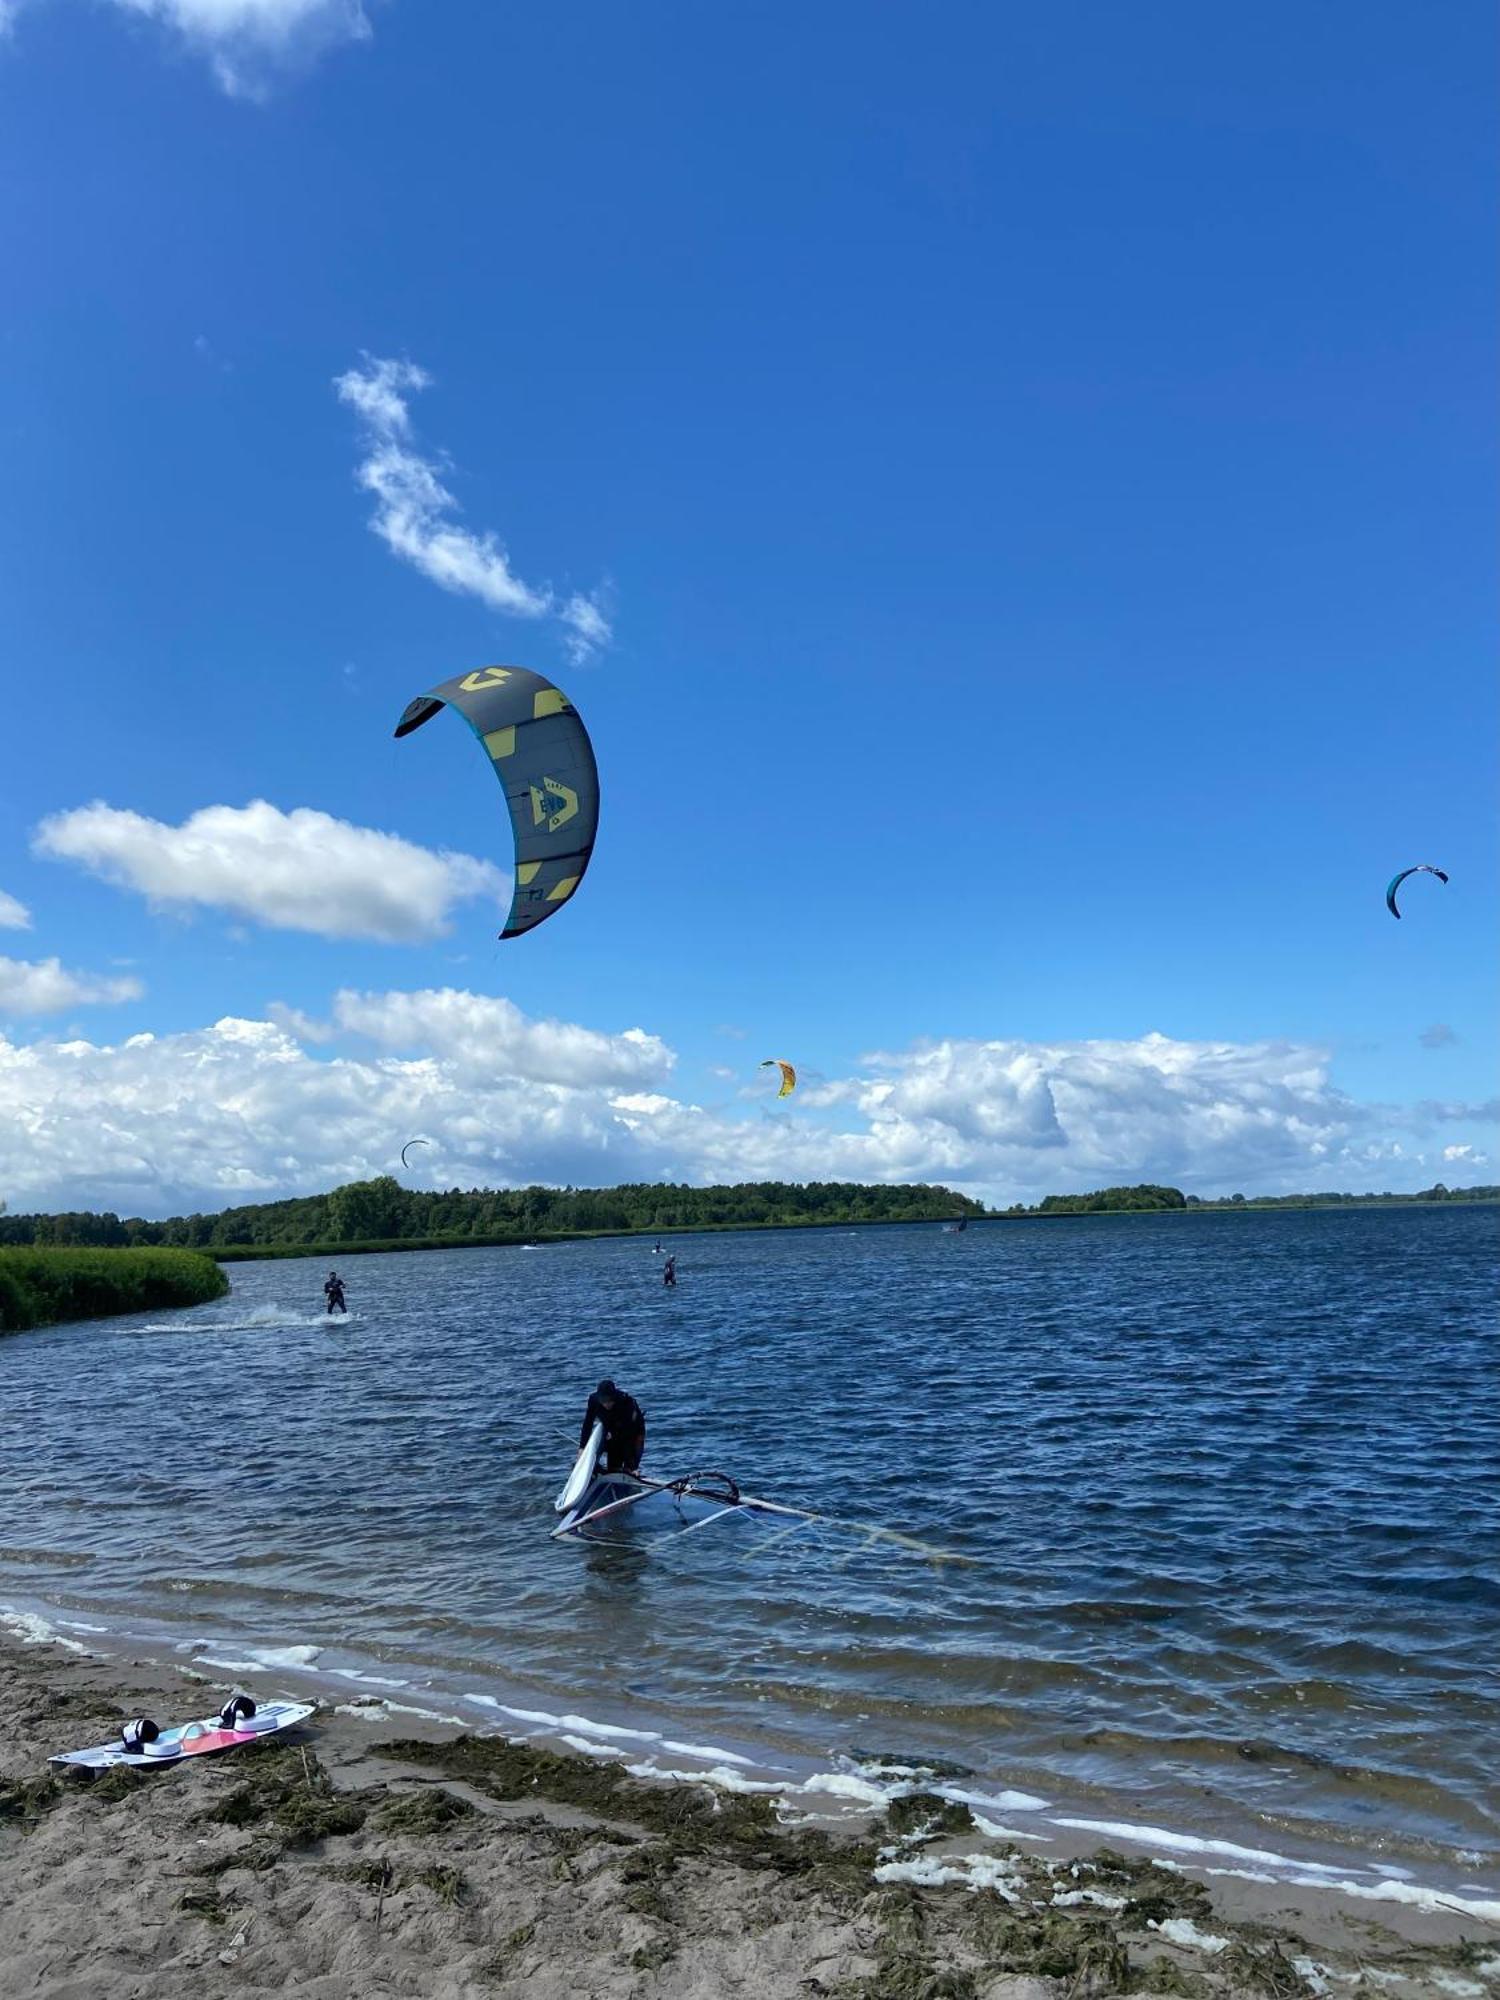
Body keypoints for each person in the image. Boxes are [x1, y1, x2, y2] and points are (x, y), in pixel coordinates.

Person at [579, 1379, 646, 1473]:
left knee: (630, 1462)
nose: (606, 1404)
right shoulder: (593, 1400)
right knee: (613, 1464)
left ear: (614, 1397)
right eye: (603, 1401)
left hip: (634, 1428)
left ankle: (631, 1470)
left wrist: (630, 1465)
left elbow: (629, 1436)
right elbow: (587, 1424)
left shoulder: (626, 1402)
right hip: (612, 1426)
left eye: (609, 1401)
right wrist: (582, 1447)